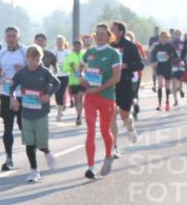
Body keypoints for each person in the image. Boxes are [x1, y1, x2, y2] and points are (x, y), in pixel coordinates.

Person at [10, 45, 60, 182]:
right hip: (26, 113)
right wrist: (12, 98)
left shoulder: (44, 72)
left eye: (37, 59)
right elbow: (12, 86)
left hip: (41, 113)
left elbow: (57, 83)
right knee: (29, 143)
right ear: (27, 59)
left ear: (40, 59)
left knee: (41, 143)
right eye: (31, 59)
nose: (34, 62)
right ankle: (34, 171)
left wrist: (48, 95)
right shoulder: (22, 73)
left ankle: (47, 152)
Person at [81, 23, 123, 179]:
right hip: (90, 97)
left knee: (105, 130)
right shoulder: (89, 52)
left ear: (108, 36)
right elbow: (80, 69)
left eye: (102, 33)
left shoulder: (113, 54)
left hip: (106, 97)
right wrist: (81, 79)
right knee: (90, 130)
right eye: (97, 33)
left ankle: (108, 156)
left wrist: (99, 89)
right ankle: (90, 167)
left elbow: (116, 77)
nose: (99, 36)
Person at [0, 26, 27, 171]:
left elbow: (37, 67)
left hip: (23, 96)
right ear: (5, 38)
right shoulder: (1, 53)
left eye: (14, 36)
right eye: (9, 36)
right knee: (7, 128)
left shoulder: (25, 51)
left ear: (18, 37)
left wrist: (24, 70)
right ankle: (8, 159)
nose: (11, 38)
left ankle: (33, 154)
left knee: (23, 127)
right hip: (7, 94)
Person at [109, 21, 144, 156]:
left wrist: (125, 66)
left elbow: (140, 65)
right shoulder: (108, 46)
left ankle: (130, 127)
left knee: (124, 115)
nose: (110, 32)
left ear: (120, 32)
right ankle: (114, 147)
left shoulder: (130, 46)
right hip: (111, 84)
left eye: (113, 30)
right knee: (111, 116)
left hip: (125, 83)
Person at [151, 30, 178, 111]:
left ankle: (167, 102)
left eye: (165, 37)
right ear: (160, 38)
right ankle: (159, 104)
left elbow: (175, 56)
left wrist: (169, 56)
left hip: (168, 68)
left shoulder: (170, 47)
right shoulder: (157, 47)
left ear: (168, 38)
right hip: (159, 67)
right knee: (160, 85)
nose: (163, 39)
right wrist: (154, 62)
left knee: (167, 87)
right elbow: (153, 56)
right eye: (162, 37)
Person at [61, 39, 86, 125]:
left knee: (80, 97)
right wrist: (71, 68)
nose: (77, 48)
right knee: (76, 100)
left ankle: (79, 115)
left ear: (81, 47)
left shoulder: (84, 55)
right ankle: (78, 114)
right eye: (75, 46)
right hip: (73, 81)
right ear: (73, 47)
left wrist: (83, 68)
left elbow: (90, 65)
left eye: (79, 46)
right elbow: (64, 69)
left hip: (82, 81)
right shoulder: (69, 57)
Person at [53, 35, 71, 121]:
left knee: (61, 92)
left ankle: (59, 112)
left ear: (64, 42)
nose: (59, 42)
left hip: (65, 75)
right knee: (57, 93)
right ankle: (59, 109)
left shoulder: (68, 52)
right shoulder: (53, 52)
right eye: (58, 41)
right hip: (55, 75)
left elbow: (71, 63)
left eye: (61, 41)